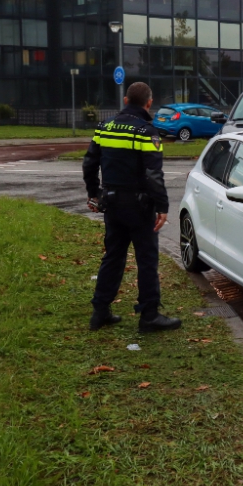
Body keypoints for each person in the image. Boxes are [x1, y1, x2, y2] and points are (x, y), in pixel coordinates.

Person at [83, 82, 182, 333]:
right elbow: (153, 174)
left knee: (113, 257)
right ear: (148, 103)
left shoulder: (104, 127)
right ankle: (149, 315)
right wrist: (162, 205)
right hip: (139, 208)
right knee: (147, 260)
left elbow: (89, 164)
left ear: (126, 99)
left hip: (112, 204)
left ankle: (100, 311)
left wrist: (94, 193)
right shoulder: (146, 131)